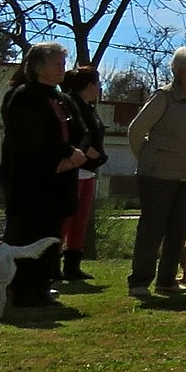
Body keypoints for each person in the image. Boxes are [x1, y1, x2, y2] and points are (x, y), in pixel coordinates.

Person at [0, 42, 85, 308]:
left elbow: (83, 131)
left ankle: (43, 285)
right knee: (27, 235)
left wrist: (76, 155)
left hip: (60, 182)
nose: (63, 69)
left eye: (63, 63)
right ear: (37, 67)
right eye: (57, 64)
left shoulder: (63, 98)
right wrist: (65, 153)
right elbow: (29, 136)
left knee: (51, 235)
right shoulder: (22, 96)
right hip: (30, 182)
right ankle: (21, 289)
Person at [124, 47, 186, 296]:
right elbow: (136, 130)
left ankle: (166, 282)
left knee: (178, 229)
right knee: (152, 229)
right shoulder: (164, 97)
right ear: (180, 71)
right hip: (157, 175)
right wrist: (149, 159)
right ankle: (139, 282)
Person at [58, 65, 109, 283]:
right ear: (89, 85)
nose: (99, 88)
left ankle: (73, 266)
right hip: (74, 170)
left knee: (80, 221)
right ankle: (53, 265)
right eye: (97, 83)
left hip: (89, 171)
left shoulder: (90, 107)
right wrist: (87, 152)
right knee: (65, 220)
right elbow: (76, 135)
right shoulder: (71, 105)